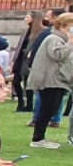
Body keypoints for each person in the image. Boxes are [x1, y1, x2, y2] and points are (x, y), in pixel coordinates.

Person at [25, 12, 73, 148]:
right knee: (47, 108)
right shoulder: (53, 38)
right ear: (64, 26)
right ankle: (38, 138)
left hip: (57, 79)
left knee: (51, 108)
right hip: (49, 79)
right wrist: (70, 43)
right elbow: (57, 55)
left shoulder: (59, 39)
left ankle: (40, 137)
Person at [11, 11, 44, 112]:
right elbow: (19, 46)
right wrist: (14, 60)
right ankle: (21, 102)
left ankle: (29, 105)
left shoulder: (41, 31)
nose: (26, 18)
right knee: (16, 81)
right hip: (21, 58)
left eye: (28, 16)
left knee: (28, 82)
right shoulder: (25, 31)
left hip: (29, 59)